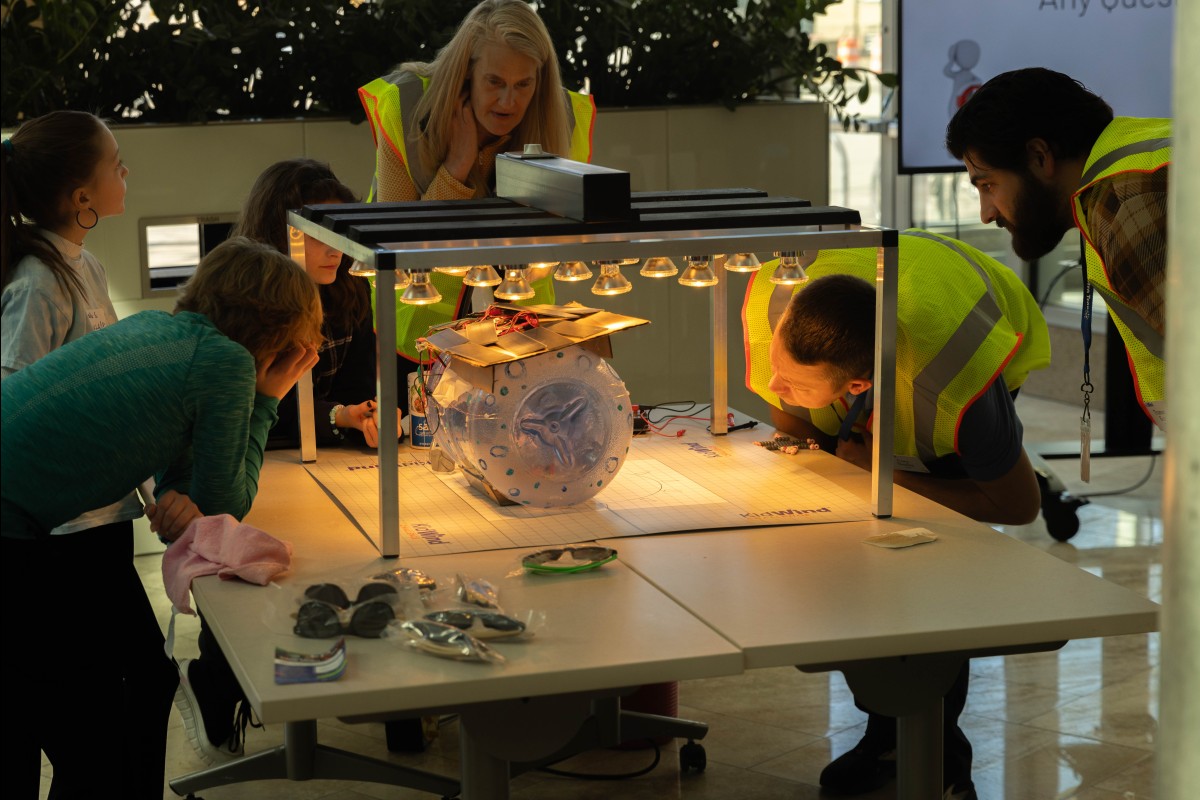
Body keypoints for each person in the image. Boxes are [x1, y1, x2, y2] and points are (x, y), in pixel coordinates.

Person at [1, 236, 320, 795]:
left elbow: (187, 484)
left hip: (21, 522)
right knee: (97, 725)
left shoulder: (163, 330)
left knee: (137, 685)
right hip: (12, 529)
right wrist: (270, 397)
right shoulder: (226, 363)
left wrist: (185, 498)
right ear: (278, 331)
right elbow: (224, 508)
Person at [744, 230, 1051, 799]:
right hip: (894, 296)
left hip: (971, 329)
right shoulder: (780, 309)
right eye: (777, 365)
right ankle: (884, 734)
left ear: (857, 384)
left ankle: (940, 755)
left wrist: (880, 472)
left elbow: (1018, 506)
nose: (775, 384)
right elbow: (799, 433)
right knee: (856, 559)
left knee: (934, 573)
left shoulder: (959, 386)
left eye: (794, 383)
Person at [0, 110, 192, 799]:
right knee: (96, 724)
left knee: (147, 680)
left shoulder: (83, 266)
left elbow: (104, 403)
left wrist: (148, 491)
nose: (126, 172)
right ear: (83, 199)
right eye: (116, 163)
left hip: (102, 528)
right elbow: (19, 410)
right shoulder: (37, 281)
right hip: (57, 546)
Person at [358, 0, 596, 369]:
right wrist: (457, 166)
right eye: (495, 82)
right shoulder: (404, 103)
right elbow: (401, 244)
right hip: (421, 331)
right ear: (467, 72)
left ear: (540, 80)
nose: (508, 100)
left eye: (523, 84)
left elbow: (555, 246)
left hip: (524, 331)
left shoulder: (565, 117)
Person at [945, 66, 1169, 429]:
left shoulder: (1124, 204)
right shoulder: (1151, 147)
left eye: (987, 185)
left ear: (1039, 157)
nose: (987, 214)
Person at [231, 158, 380, 448]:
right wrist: (341, 416)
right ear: (278, 233)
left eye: (340, 230)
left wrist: (369, 415)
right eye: (317, 234)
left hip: (326, 453)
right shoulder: (249, 305)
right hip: (261, 452)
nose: (334, 248)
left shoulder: (351, 283)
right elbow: (270, 407)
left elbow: (359, 388)